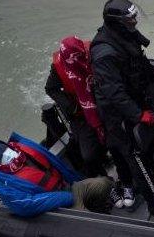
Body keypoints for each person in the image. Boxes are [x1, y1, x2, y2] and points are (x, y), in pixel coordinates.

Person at [91, 0, 154, 209]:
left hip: (135, 100)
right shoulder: (104, 53)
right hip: (118, 114)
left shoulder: (125, 37)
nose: (135, 21)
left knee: (153, 140)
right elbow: (113, 92)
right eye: (130, 19)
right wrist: (137, 115)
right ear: (118, 22)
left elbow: (140, 62)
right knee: (134, 155)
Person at [0, 133, 113, 217]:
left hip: (69, 188)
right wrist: (65, 198)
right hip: (58, 206)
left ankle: (95, 204)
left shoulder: (23, 149)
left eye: (6, 149)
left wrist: (77, 181)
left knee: (104, 183)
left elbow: (56, 164)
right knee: (91, 220)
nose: (8, 154)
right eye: (2, 155)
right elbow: (27, 205)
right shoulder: (5, 185)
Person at [45, 35, 108, 177]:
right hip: (80, 114)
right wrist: (70, 106)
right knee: (89, 156)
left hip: (103, 104)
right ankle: (104, 178)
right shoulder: (58, 67)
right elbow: (50, 88)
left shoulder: (92, 51)